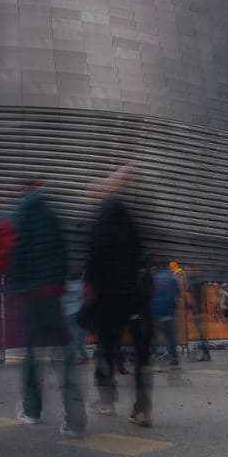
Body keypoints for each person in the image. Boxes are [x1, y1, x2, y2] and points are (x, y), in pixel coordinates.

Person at [10, 180, 83, 435]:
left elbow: (16, 256)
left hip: (31, 298)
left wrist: (15, 286)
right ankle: (75, 418)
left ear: (24, 192)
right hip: (52, 296)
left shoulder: (20, 216)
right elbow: (64, 254)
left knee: (32, 355)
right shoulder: (53, 216)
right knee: (63, 355)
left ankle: (32, 411)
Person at [84, 166, 152, 427]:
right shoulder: (132, 220)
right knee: (140, 353)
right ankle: (142, 408)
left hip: (110, 295)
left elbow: (96, 253)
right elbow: (141, 255)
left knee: (105, 347)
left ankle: (107, 400)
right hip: (134, 295)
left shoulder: (104, 215)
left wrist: (91, 285)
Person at [149, 255, 181, 368]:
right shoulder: (172, 277)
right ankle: (174, 357)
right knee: (170, 335)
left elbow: (150, 295)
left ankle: (156, 355)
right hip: (170, 311)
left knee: (156, 336)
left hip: (157, 311)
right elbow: (178, 293)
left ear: (154, 268)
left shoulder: (153, 278)